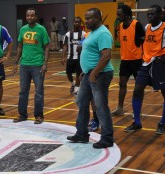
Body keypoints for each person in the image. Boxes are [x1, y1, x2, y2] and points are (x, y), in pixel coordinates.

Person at [66, 8, 114, 149]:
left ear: (98, 17)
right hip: (89, 74)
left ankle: (107, 138)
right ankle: (81, 133)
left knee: (101, 106)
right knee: (81, 101)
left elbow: (106, 56)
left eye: (89, 18)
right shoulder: (92, 33)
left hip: (100, 75)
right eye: (85, 18)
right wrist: (86, 72)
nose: (86, 21)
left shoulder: (103, 33)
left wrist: (94, 73)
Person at [124, 4, 165, 135]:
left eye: (152, 14)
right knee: (137, 90)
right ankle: (137, 122)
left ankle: (162, 123)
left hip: (160, 64)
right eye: (148, 14)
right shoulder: (147, 27)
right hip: (146, 64)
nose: (149, 16)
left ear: (160, 15)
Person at [13, 8, 50, 124]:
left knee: (39, 92)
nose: (30, 17)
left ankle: (39, 116)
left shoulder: (41, 29)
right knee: (23, 91)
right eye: (28, 15)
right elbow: (19, 46)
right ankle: (22, 114)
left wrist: (45, 63)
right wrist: (16, 62)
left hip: (38, 65)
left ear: (36, 17)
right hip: (24, 65)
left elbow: (47, 47)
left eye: (32, 15)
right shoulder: (23, 29)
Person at [111, 5, 145, 116]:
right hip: (125, 60)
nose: (117, 16)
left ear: (126, 14)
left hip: (137, 60)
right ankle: (120, 108)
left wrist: (144, 57)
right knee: (122, 84)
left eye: (119, 14)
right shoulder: (120, 26)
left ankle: (137, 111)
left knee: (138, 87)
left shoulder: (137, 24)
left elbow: (144, 41)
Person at [62, 16, 85, 96]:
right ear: (73, 22)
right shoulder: (68, 34)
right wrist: (63, 57)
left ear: (80, 23)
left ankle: (76, 90)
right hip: (70, 57)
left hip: (79, 58)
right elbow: (65, 46)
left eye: (79, 22)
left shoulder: (83, 34)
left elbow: (85, 45)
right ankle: (73, 83)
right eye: (76, 22)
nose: (77, 23)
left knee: (78, 74)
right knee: (68, 73)